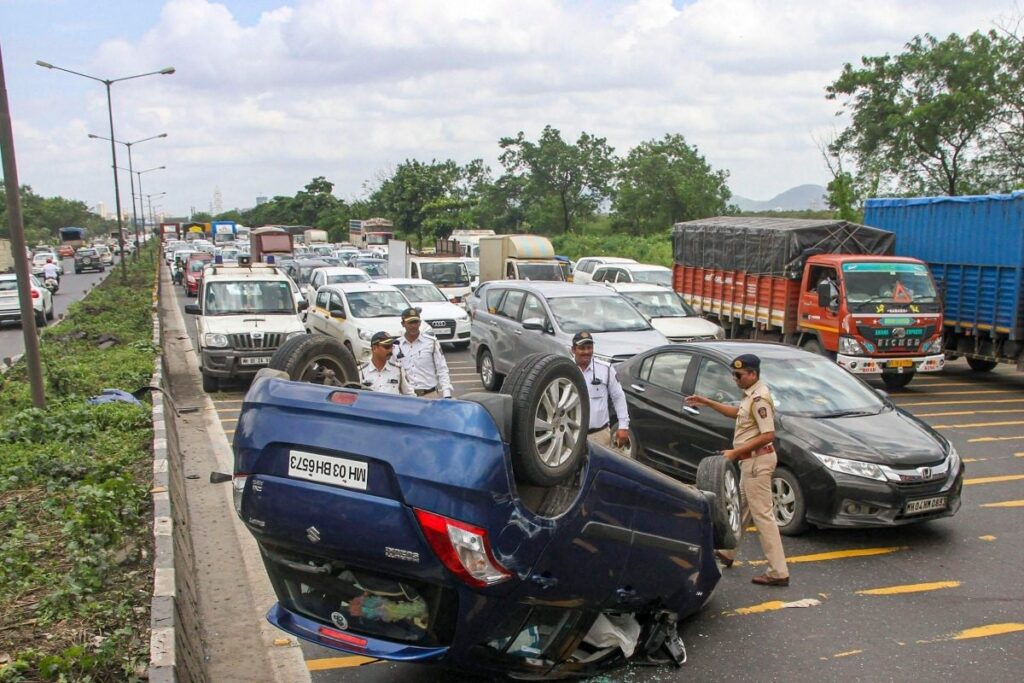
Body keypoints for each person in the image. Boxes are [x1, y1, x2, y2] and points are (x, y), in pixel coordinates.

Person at [685, 354, 790, 587]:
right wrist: (708, 402)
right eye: (733, 374)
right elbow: (738, 414)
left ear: (752, 374)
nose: (735, 379)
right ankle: (727, 552)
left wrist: (734, 452)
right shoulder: (750, 395)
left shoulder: (760, 398)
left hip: (757, 462)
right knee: (741, 508)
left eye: (739, 375)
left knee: (763, 516)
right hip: (750, 462)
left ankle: (778, 571)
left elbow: (767, 435)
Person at [570, 331, 630, 450]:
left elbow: (618, 397)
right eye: (582, 348)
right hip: (570, 436)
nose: (586, 352)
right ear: (573, 350)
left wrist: (623, 426)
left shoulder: (605, 369)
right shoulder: (565, 368)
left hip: (599, 436)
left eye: (589, 347)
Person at [392, 308, 453, 398]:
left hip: (429, 395)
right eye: (410, 322)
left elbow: (442, 368)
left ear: (420, 323)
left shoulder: (431, 342)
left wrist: (447, 394)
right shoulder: (396, 345)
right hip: (406, 398)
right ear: (403, 324)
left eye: (416, 322)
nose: (414, 326)